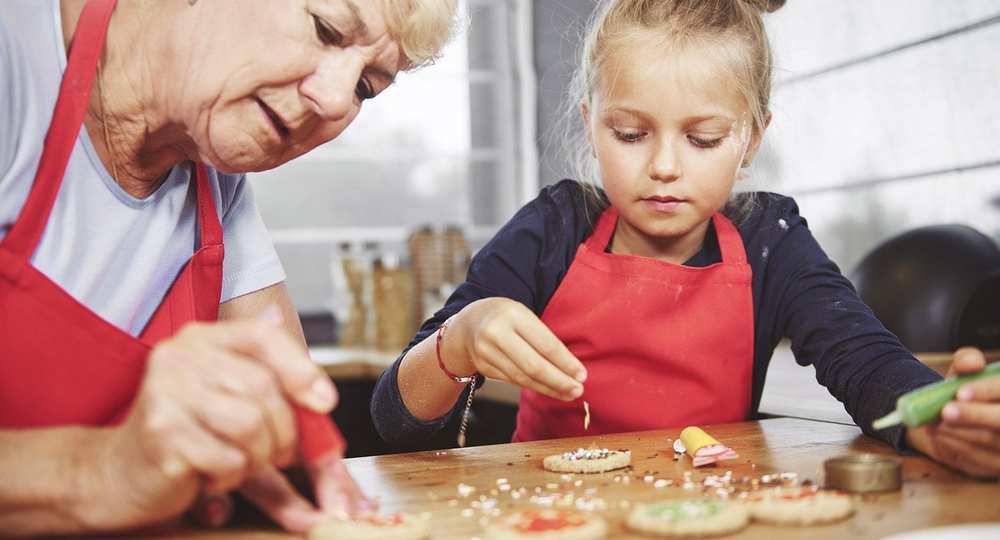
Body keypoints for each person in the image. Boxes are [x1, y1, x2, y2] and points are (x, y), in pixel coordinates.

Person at [371, 0, 1000, 479]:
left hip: (710, 502)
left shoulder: (770, 240)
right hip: (552, 510)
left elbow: (864, 361)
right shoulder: (552, 230)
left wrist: (937, 417)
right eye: (630, 133)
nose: (665, 167)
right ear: (591, 125)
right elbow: (395, 421)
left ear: (751, 138)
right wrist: (460, 341)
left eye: (703, 140)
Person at [0, 0, 457, 535]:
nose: (336, 102)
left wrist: (282, 467)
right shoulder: (13, 64)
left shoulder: (218, 186)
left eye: (364, 87)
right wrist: (101, 470)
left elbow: (295, 431)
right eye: (326, 28)